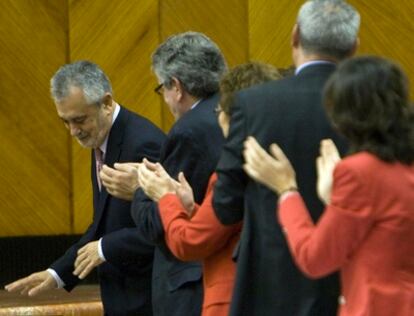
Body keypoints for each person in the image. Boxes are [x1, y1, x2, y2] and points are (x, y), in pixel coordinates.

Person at [212, 0, 360, 315]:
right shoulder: (375, 109)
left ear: (294, 36)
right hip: (351, 281)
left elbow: (225, 207)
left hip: (271, 285)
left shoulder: (252, 105)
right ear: (355, 46)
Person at [243, 56, 414, 316]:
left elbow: (314, 258)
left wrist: (286, 190)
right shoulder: (401, 164)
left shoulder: (360, 171)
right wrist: (332, 199)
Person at [5, 61, 166, 315]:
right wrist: (56, 273)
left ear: (107, 103)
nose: (72, 131)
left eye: (79, 120)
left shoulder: (143, 143)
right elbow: (102, 224)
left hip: (149, 301)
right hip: (122, 299)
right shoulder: (103, 139)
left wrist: (104, 248)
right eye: (65, 122)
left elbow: (164, 228)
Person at [137, 62, 283, 316]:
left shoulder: (233, 171)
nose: (218, 115)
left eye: (220, 107)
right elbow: (231, 226)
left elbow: (190, 243)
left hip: (233, 299)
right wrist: (192, 208)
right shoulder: (280, 161)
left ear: (236, 114)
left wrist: (166, 197)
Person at [101, 31, 227, 315]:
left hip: (192, 286)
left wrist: (139, 186)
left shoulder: (189, 130)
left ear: (177, 86)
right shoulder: (232, 110)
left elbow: (160, 222)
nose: (166, 100)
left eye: (162, 89)